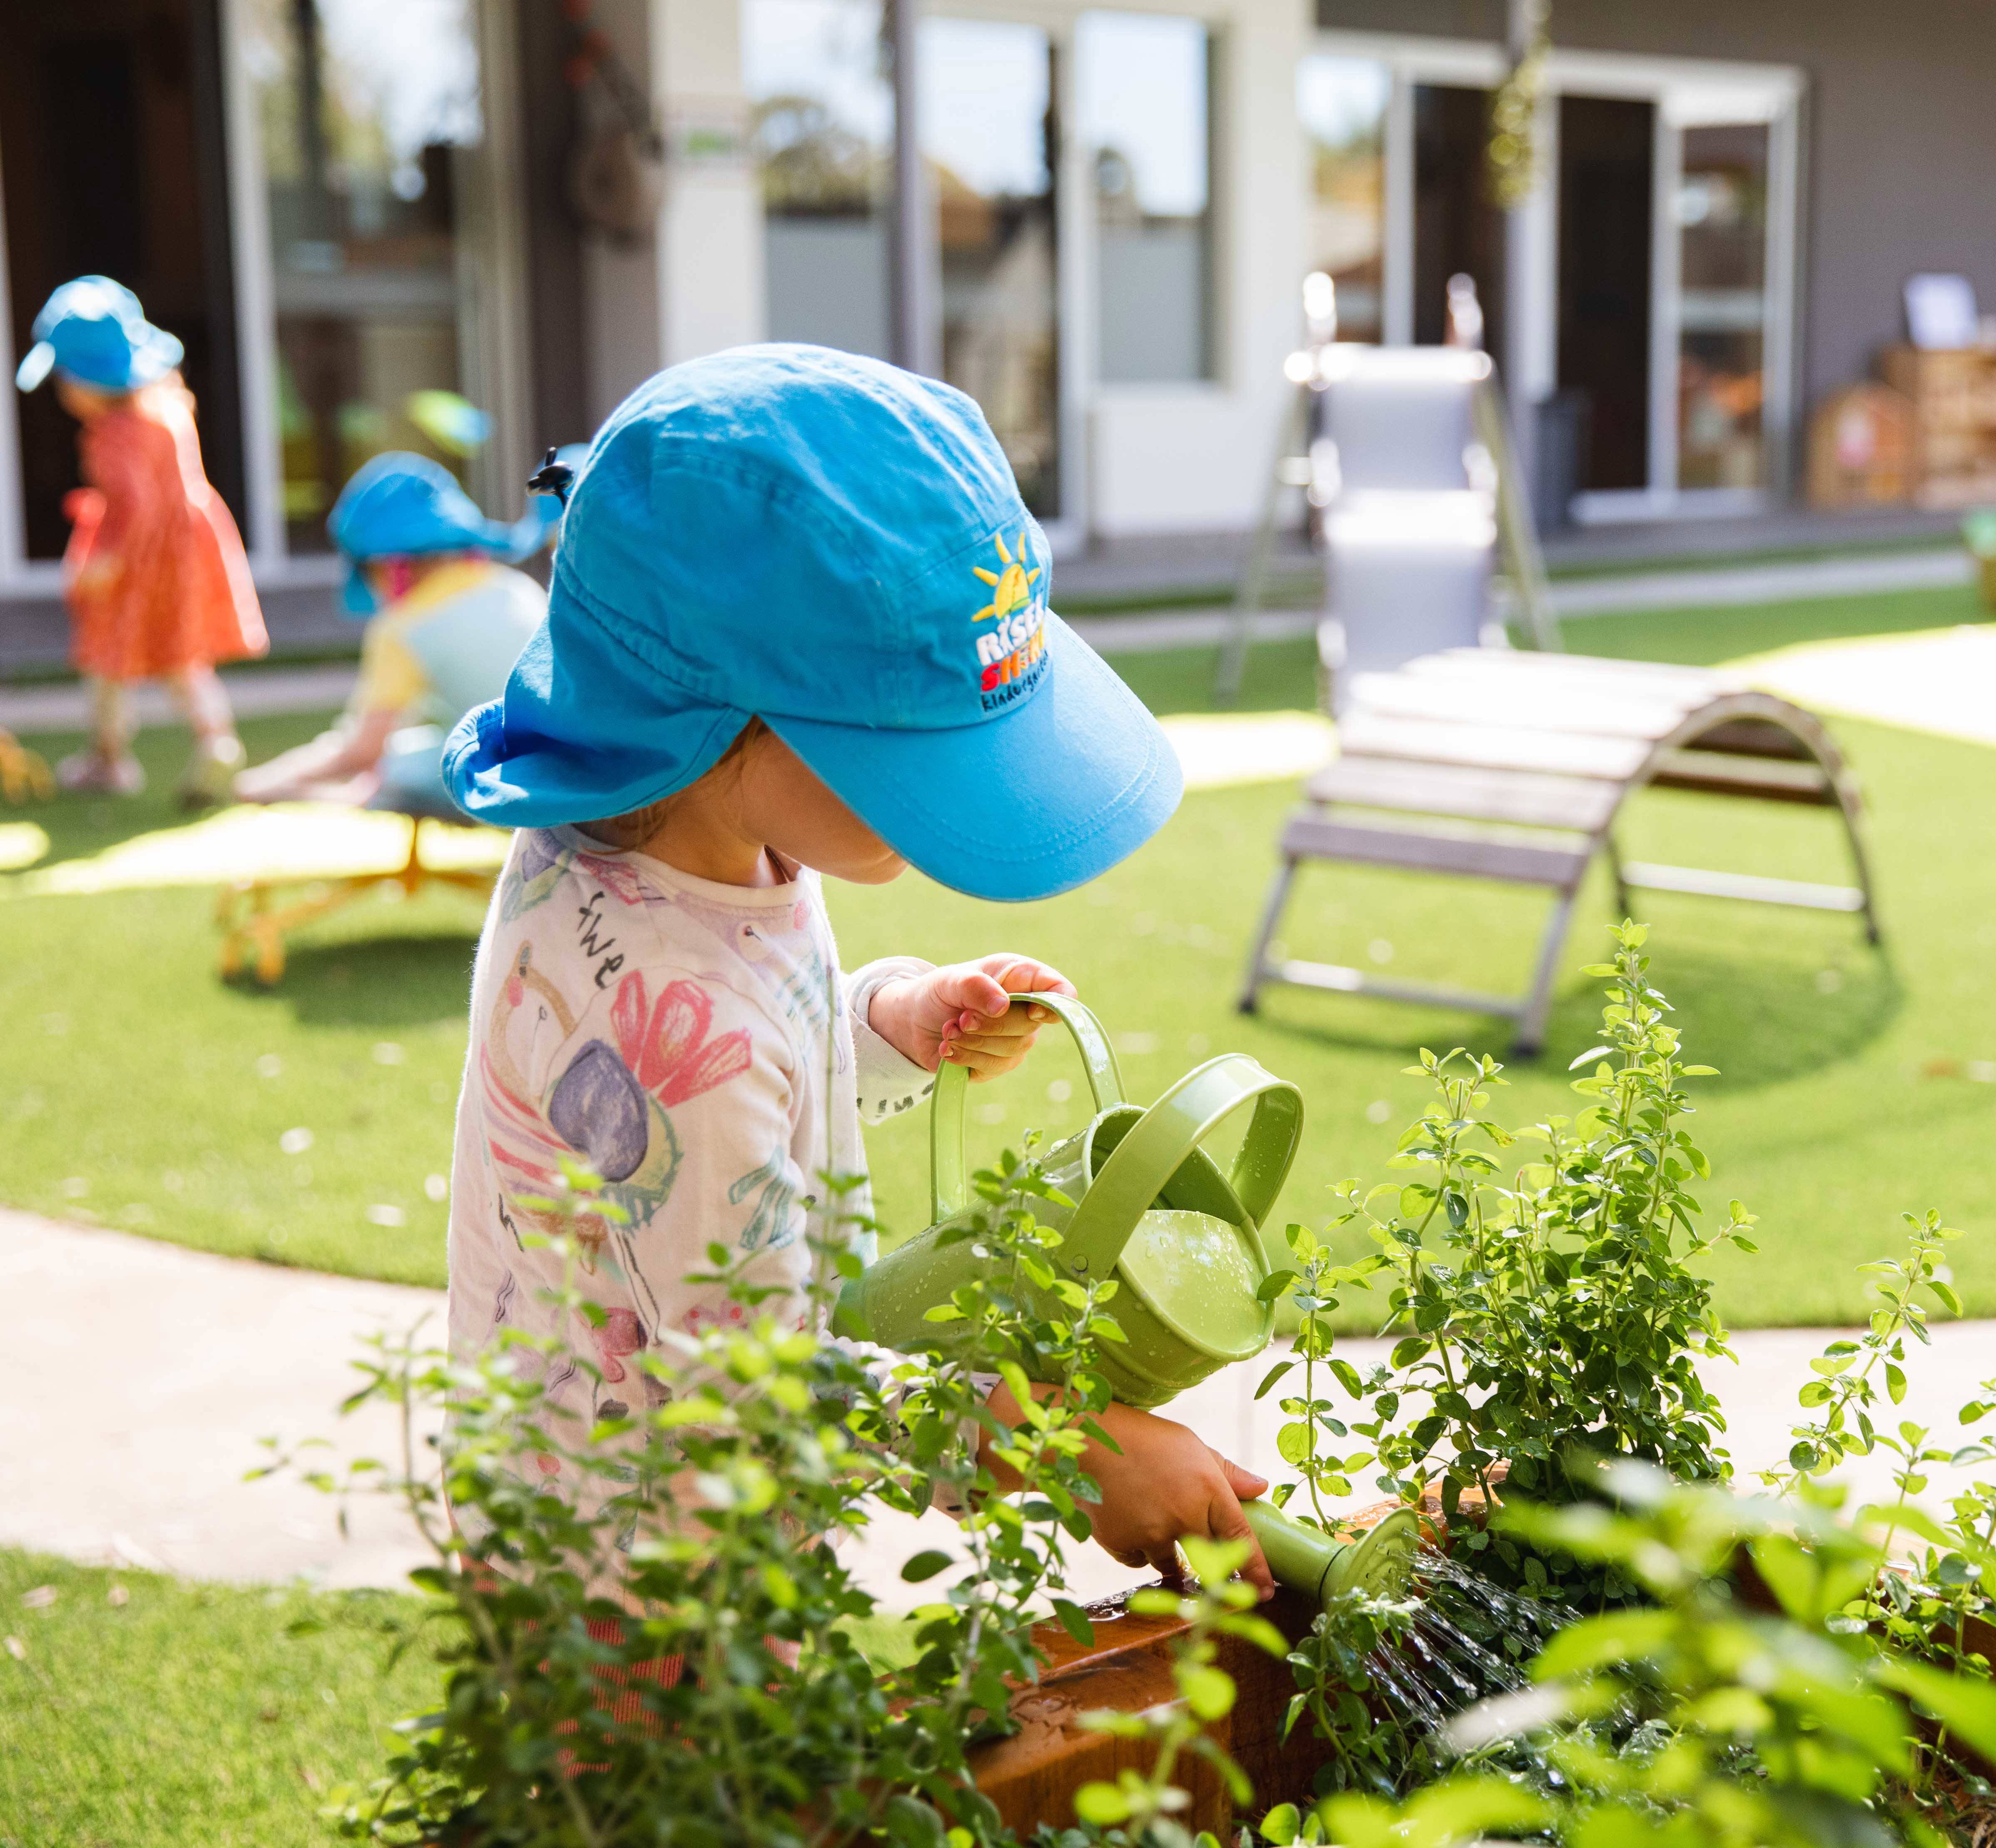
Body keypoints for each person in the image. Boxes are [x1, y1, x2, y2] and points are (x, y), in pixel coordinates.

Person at [439, 345, 1268, 1591]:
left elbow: (737, 1033)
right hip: (636, 1590)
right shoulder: (672, 1039)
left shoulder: (687, 837)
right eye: (910, 757)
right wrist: (1065, 1449)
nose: (939, 801)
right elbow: (762, 1384)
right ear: (726, 719)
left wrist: (879, 1020)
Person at [15, 276, 264, 803]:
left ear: (88, 381)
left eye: (65, 376)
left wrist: (107, 558)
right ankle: (216, 740)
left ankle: (109, 760)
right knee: (183, 656)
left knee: (106, 658)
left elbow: (137, 506)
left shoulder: (114, 435)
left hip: (137, 560)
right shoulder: (169, 408)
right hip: (185, 554)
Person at [235, 451, 553, 812]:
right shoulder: (516, 586)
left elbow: (362, 751)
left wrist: (271, 779)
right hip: (572, 767)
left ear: (388, 566)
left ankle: (307, 794)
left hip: (506, 785)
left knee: (391, 768)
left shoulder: (403, 628)